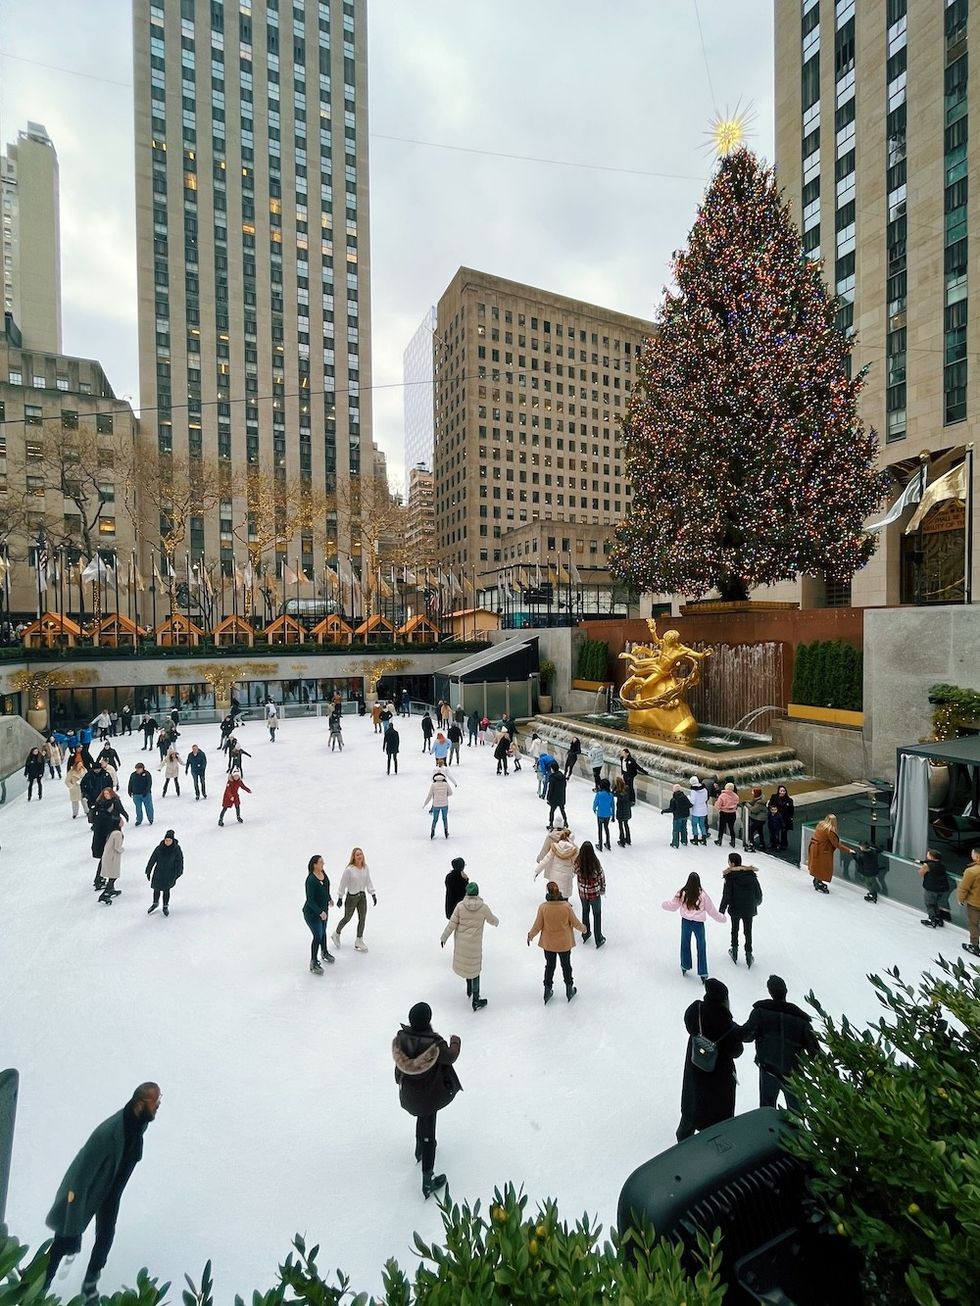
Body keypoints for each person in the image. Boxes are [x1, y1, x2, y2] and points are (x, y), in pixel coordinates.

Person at [42, 1083, 162, 1300]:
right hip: (86, 1192)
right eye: (155, 1101)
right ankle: (36, 1285)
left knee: (105, 1238)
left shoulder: (139, 1124)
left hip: (111, 1193)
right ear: (139, 1104)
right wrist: (73, 1227)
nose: (158, 1105)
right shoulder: (106, 1134)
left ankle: (89, 1288)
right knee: (63, 1243)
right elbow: (79, 1180)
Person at [391, 1002, 462, 1199]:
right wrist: (455, 1041)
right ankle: (427, 1180)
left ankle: (419, 1150)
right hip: (429, 1095)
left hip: (409, 1095)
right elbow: (450, 1057)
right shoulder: (434, 1045)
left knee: (420, 1117)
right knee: (429, 1131)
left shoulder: (402, 1038)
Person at [676, 979, 743, 1141]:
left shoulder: (696, 1010)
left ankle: (683, 1140)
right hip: (718, 1080)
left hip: (695, 1068)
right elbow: (737, 1051)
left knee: (692, 1106)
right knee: (717, 1118)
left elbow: (688, 1024)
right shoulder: (727, 1025)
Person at [738, 975, 818, 1111]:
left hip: (768, 1069)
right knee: (797, 1114)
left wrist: (731, 1028)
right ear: (786, 991)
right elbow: (815, 1052)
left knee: (767, 1111)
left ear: (769, 991)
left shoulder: (761, 1012)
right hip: (793, 1073)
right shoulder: (802, 1021)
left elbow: (746, 1035)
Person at [441, 881, 499, 1011]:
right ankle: (476, 999)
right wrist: (496, 922)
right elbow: (492, 919)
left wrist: (444, 937)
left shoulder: (460, 906)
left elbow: (451, 924)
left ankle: (469, 989)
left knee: (467, 967)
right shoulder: (483, 908)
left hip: (462, 944)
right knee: (475, 970)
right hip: (475, 945)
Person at [527, 880, 585, 1003]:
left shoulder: (543, 907)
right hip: (564, 943)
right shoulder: (566, 907)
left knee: (550, 966)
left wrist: (530, 935)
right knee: (566, 966)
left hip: (549, 944)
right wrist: (584, 929)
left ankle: (547, 990)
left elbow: (537, 925)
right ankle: (569, 989)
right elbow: (575, 922)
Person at [662, 872, 726, 980]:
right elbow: (712, 911)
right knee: (701, 946)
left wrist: (664, 904)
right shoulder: (703, 895)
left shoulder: (682, 892)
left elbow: (673, 906)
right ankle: (703, 972)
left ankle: (685, 965)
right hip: (698, 924)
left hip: (686, 922)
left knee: (685, 943)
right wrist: (722, 918)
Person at [719, 852, 763, 968]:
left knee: (735, 929)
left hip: (735, 908)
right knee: (748, 931)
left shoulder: (730, 877)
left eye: (729, 861)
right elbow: (758, 893)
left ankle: (734, 950)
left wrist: (721, 911)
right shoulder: (751, 875)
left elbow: (726, 895)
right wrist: (755, 903)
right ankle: (748, 954)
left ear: (733, 864)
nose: (728, 863)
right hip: (749, 908)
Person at [332, 846, 376, 952]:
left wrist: (372, 893)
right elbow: (343, 883)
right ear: (353, 857)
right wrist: (340, 897)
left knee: (362, 918)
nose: (359, 856)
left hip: (362, 896)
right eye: (357, 855)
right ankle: (336, 933)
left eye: (361, 854)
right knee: (347, 918)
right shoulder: (349, 870)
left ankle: (359, 940)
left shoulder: (365, 868)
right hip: (351, 898)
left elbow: (368, 881)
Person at [303, 853, 334, 974]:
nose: (323, 863)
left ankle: (324, 951)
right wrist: (319, 912)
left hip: (324, 910)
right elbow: (310, 900)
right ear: (315, 865)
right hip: (312, 913)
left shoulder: (323, 874)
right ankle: (313, 962)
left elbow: (325, 889)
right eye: (321, 862)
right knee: (317, 935)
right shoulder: (311, 880)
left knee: (323, 932)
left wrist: (329, 899)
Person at [807, 814, 851, 894]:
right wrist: (848, 850)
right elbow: (836, 844)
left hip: (815, 847)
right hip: (822, 851)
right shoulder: (829, 831)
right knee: (822, 867)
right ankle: (819, 881)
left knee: (817, 865)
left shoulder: (820, 825)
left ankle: (817, 879)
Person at [145, 830, 183, 917]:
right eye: (166, 840)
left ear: (172, 840)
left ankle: (165, 906)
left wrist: (178, 872)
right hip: (158, 872)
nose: (167, 842)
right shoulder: (159, 848)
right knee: (156, 889)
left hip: (169, 873)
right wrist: (148, 870)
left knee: (166, 890)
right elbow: (152, 859)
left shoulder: (176, 849)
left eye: (169, 840)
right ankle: (155, 903)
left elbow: (180, 861)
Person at [575, 841, 606, 948]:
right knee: (597, 914)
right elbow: (601, 877)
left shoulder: (578, 862)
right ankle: (598, 938)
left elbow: (574, 871)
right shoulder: (595, 863)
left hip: (583, 893)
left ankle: (585, 933)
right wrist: (602, 889)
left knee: (585, 912)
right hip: (594, 893)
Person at [534, 828, 579, 900]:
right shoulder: (573, 850)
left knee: (554, 895)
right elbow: (577, 863)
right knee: (564, 897)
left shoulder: (555, 847)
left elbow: (546, 860)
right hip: (567, 876)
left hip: (555, 875)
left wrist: (537, 871)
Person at [919, 848, 952, 928]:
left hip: (931, 888)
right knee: (936, 904)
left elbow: (920, 873)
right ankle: (938, 919)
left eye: (928, 855)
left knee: (929, 903)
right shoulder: (942, 866)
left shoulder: (928, 865)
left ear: (931, 857)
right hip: (942, 888)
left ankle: (932, 919)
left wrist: (924, 866)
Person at [957, 845, 980, 956]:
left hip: (975, 903)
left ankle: (974, 945)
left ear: (977, 856)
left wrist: (961, 899)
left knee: (973, 924)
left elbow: (964, 887)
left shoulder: (971, 871)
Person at [97, 817, 125, 904]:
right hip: (112, 857)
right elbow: (117, 847)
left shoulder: (113, 832)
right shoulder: (117, 834)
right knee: (113, 875)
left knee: (112, 875)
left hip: (109, 856)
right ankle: (106, 893)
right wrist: (122, 850)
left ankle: (111, 889)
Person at [423, 770, 456, 839]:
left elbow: (429, 796)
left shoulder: (433, 785)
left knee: (435, 819)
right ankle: (446, 831)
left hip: (436, 805)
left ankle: (432, 831)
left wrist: (425, 804)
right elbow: (451, 793)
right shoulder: (446, 784)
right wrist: (445, 795)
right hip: (445, 804)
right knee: (444, 818)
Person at [662, 783, 693, 848]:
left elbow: (671, 809)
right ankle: (684, 841)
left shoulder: (673, 799)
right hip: (685, 816)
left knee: (676, 830)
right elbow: (690, 805)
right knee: (684, 828)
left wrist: (664, 811)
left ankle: (675, 844)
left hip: (677, 817)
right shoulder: (685, 797)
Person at [768, 784, 795, 851]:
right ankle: (773, 843)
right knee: (773, 831)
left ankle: (783, 845)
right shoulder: (774, 797)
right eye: (781, 791)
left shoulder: (789, 800)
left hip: (785, 818)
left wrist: (791, 817)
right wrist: (772, 811)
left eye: (784, 791)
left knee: (784, 832)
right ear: (778, 791)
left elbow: (791, 810)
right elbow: (769, 805)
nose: (782, 792)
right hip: (775, 817)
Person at [713, 782, 740, 848]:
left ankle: (719, 840)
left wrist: (717, 808)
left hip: (724, 813)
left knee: (721, 828)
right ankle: (733, 841)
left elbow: (718, 805)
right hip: (732, 814)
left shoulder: (722, 796)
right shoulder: (736, 796)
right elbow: (737, 804)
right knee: (731, 828)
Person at [545, 761, 568, 830]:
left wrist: (548, 798)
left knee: (552, 811)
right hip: (561, 796)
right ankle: (566, 822)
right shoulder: (563, 777)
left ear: (552, 769)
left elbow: (550, 789)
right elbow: (565, 786)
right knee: (562, 810)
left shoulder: (552, 778)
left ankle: (551, 824)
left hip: (554, 798)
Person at [593, 778, 614, 851]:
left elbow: (595, 803)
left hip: (600, 814)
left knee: (600, 829)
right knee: (606, 828)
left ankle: (600, 844)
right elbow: (612, 805)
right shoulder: (610, 795)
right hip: (607, 814)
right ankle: (608, 843)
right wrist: (613, 815)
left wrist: (594, 808)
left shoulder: (599, 794)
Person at [745, 787, 768, 853]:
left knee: (751, 830)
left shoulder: (760, 802)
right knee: (760, 831)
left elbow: (753, 810)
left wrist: (747, 804)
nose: (752, 793)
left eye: (753, 792)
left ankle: (751, 844)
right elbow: (753, 802)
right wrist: (748, 802)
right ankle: (762, 844)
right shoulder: (759, 798)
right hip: (760, 818)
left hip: (759, 819)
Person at [688, 776, 709, 845]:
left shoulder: (693, 791)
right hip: (703, 809)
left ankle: (695, 838)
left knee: (694, 825)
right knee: (702, 825)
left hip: (696, 810)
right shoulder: (704, 789)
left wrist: (688, 797)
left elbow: (692, 801)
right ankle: (704, 838)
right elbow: (706, 798)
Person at [64, 754, 86, 819]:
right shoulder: (71, 772)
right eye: (79, 765)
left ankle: (87, 811)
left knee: (84, 800)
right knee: (75, 802)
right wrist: (71, 786)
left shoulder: (84, 770)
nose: (80, 766)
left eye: (81, 765)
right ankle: (75, 813)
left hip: (82, 788)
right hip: (75, 789)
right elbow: (67, 781)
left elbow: (87, 778)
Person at [613, 775, 633, 846]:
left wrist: (615, 787)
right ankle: (628, 839)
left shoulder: (618, 792)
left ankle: (622, 840)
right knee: (626, 824)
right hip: (627, 810)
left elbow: (612, 793)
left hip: (620, 811)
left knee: (620, 825)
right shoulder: (627, 789)